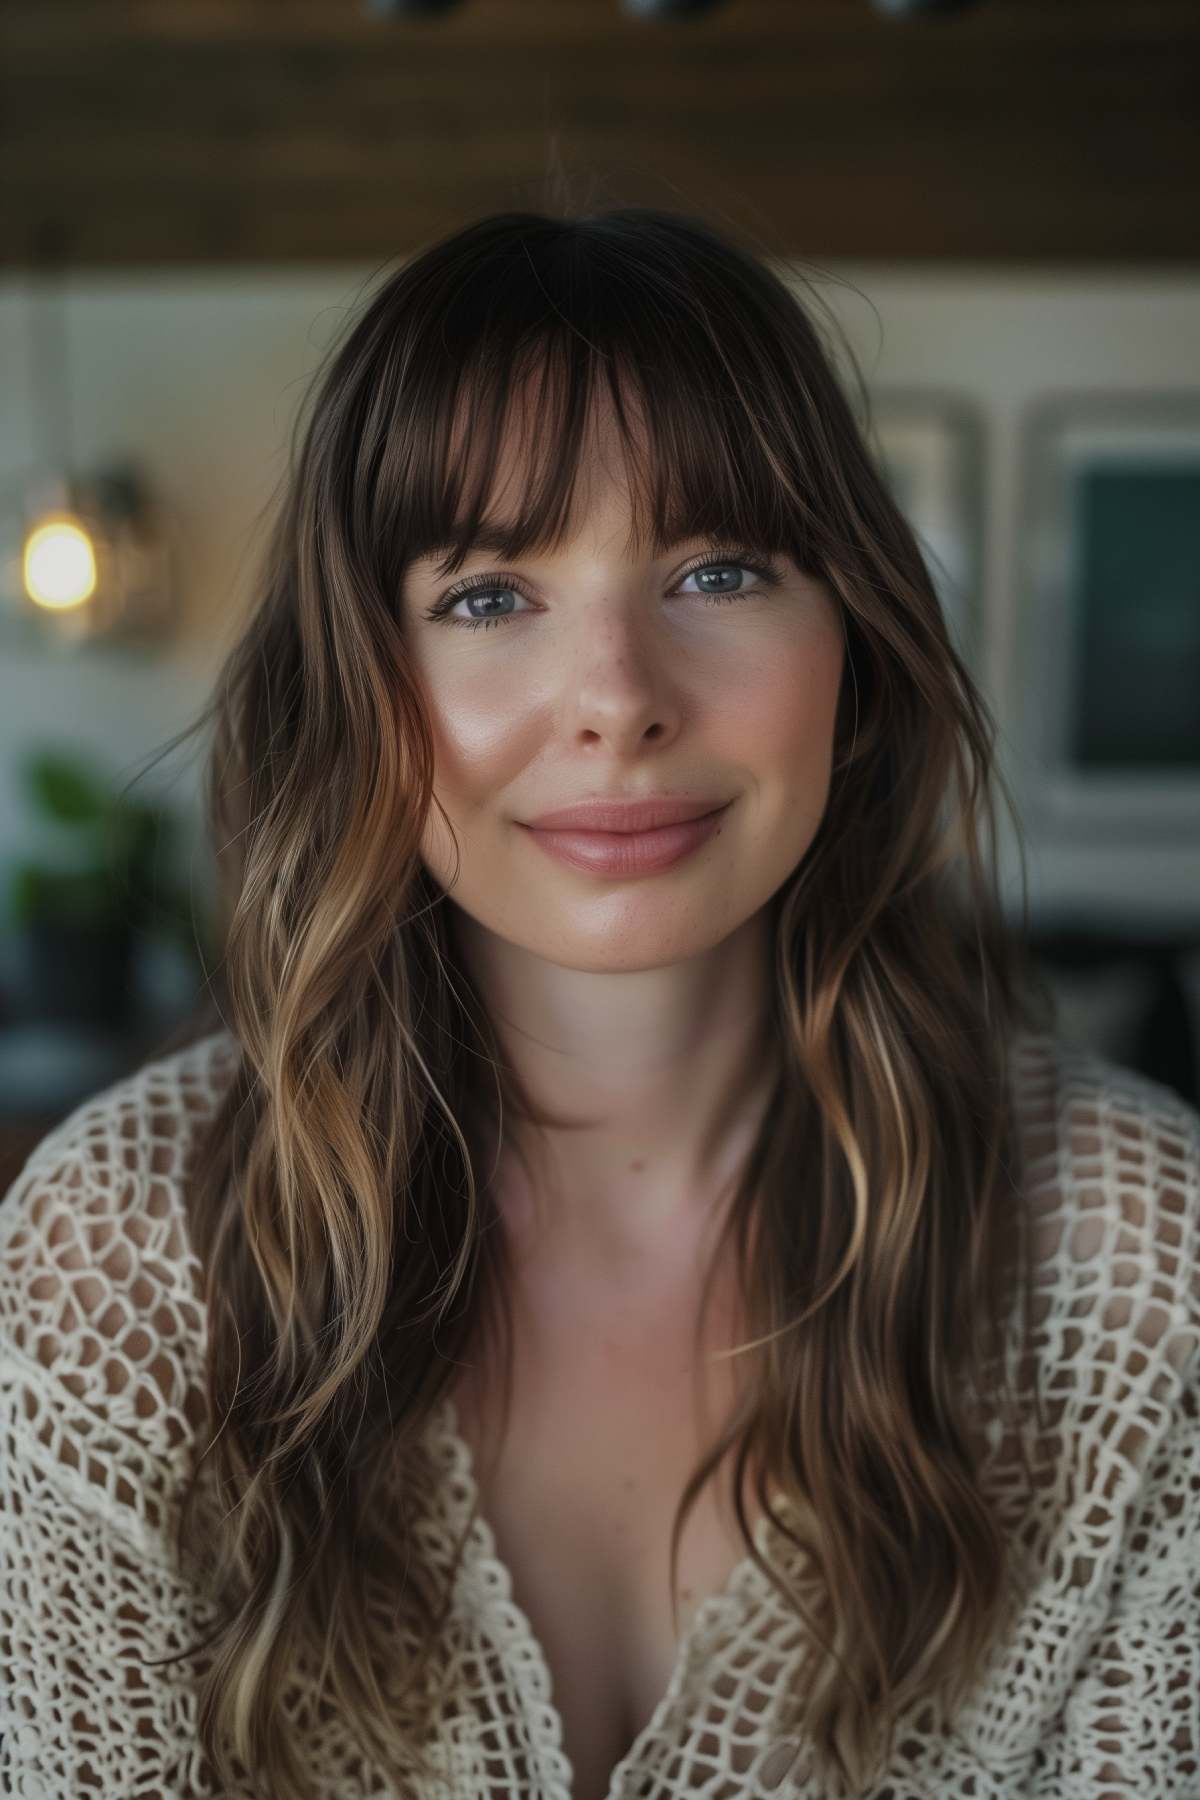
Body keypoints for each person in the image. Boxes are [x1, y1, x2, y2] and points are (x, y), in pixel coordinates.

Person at [1, 205, 1197, 1800]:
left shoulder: (1143, 1271)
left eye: (720, 567)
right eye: (491, 595)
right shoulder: (117, 1268)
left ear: (856, 643)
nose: (621, 696)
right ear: (365, 685)